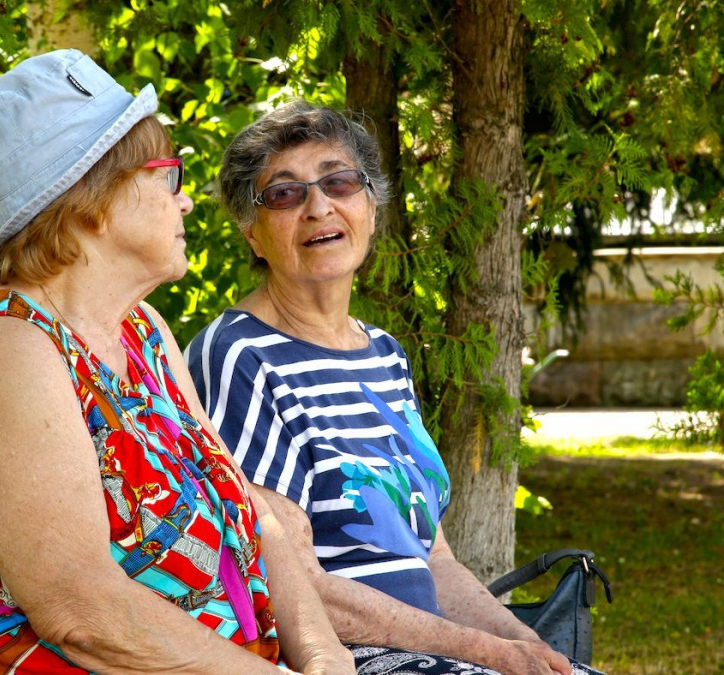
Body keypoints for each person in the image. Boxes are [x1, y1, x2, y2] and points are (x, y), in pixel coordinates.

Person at [0, 51, 356, 674]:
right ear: (94, 196)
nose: (187, 204)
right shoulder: (8, 352)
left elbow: (250, 512)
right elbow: (83, 615)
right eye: (168, 175)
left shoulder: (142, 331)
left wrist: (324, 656)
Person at [185, 101, 600, 675]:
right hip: (341, 656)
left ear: (372, 208)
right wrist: (487, 654)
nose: (318, 206)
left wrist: (528, 648)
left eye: (340, 181)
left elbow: (433, 559)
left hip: (433, 652)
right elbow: (297, 584)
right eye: (284, 194)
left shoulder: (384, 354)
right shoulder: (238, 355)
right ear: (252, 233)